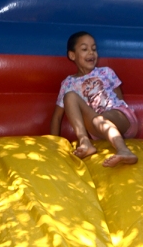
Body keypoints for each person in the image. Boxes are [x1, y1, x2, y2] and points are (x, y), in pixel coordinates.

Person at [50, 31, 138, 167]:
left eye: (94, 49)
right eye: (84, 49)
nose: (91, 52)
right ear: (72, 55)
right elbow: (57, 117)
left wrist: (117, 117)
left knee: (100, 119)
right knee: (70, 96)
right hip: (97, 127)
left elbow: (120, 100)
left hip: (122, 119)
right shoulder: (68, 83)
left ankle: (123, 150)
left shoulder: (106, 72)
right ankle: (85, 142)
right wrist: (53, 146)